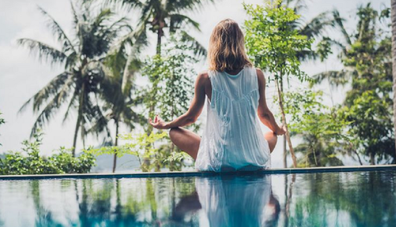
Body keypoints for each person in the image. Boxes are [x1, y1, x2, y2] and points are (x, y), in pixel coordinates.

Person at [149, 19, 285, 172]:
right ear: (240, 43)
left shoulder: (205, 78)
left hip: (219, 162)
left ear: (215, 44)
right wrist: (279, 130)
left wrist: (165, 124)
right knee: (271, 134)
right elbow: (264, 114)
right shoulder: (257, 75)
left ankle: (214, 156)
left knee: (174, 132)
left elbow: (190, 118)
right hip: (254, 161)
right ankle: (255, 151)